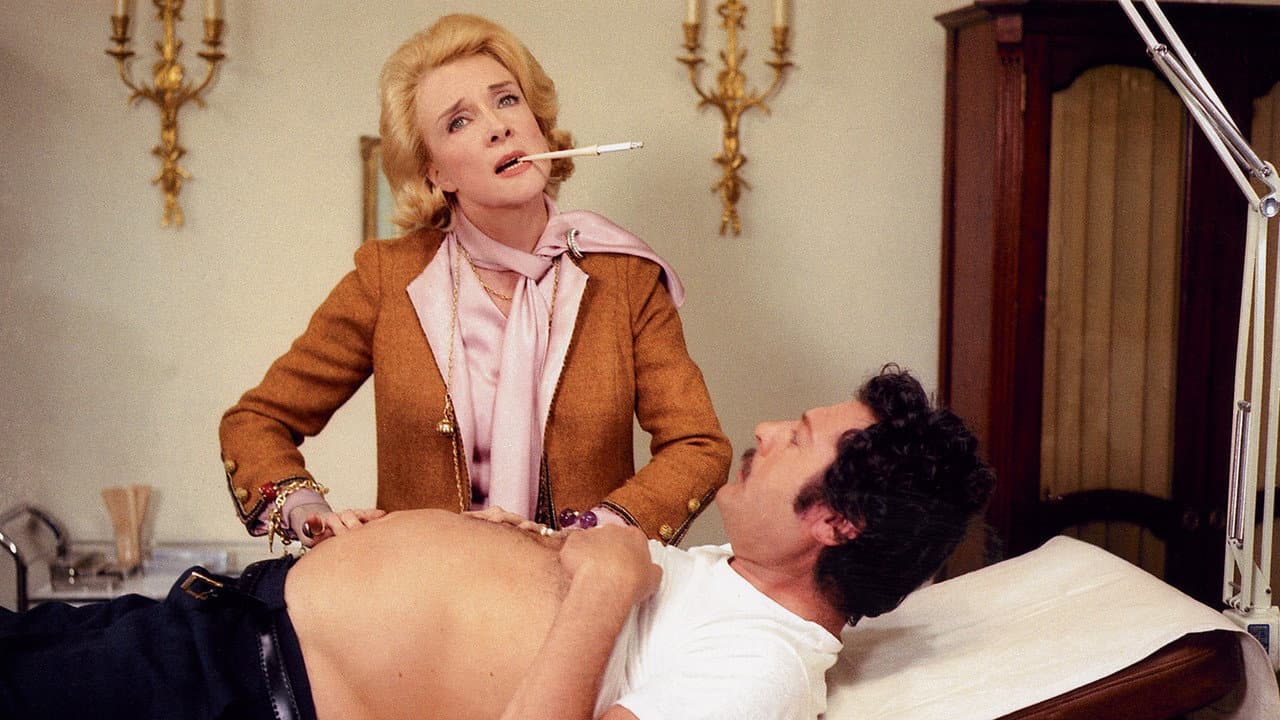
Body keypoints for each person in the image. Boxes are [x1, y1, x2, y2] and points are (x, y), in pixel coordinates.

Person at [6, 366, 994, 719]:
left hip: (236, 688)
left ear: (839, 522)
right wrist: (518, 548)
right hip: (223, 629)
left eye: (801, 437)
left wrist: (603, 582)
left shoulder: (764, 668)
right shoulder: (722, 582)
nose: (769, 429)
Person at [218, 14, 731, 549]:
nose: (498, 126)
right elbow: (255, 421)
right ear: (435, 172)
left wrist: (593, 535)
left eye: (507, 100)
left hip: (584, 586)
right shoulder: (386, 279)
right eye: (459, 121)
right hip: (423, 590)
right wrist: (307, 511)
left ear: (537, 121)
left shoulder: (626, 276)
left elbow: (697, 444)